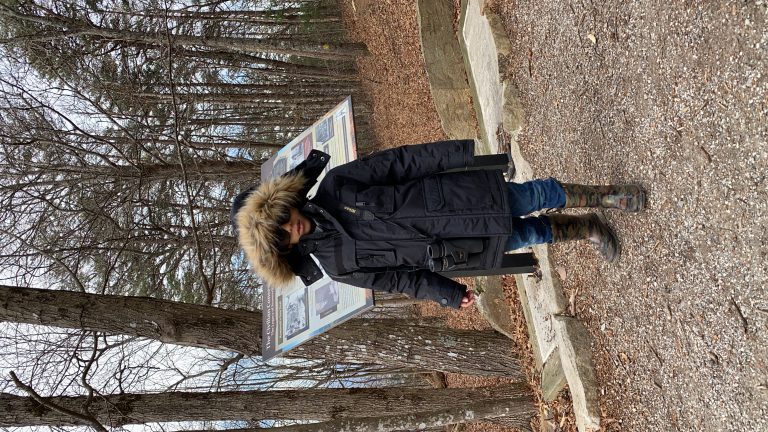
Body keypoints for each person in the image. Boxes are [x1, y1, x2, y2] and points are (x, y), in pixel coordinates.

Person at [231, 140, 644, 309]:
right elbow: (401, 280)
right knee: (530, 233)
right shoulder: (338, 266)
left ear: (286, 204)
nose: (288, 230)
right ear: (284, 251)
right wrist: (447, 293)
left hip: (460, 198)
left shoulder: (337, 186)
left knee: (535, 196)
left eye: (281, 220)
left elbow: (399, 163)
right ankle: (588, 228)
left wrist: (454, 155)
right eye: (280, 239)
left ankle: (606, 196)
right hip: (457, 246)